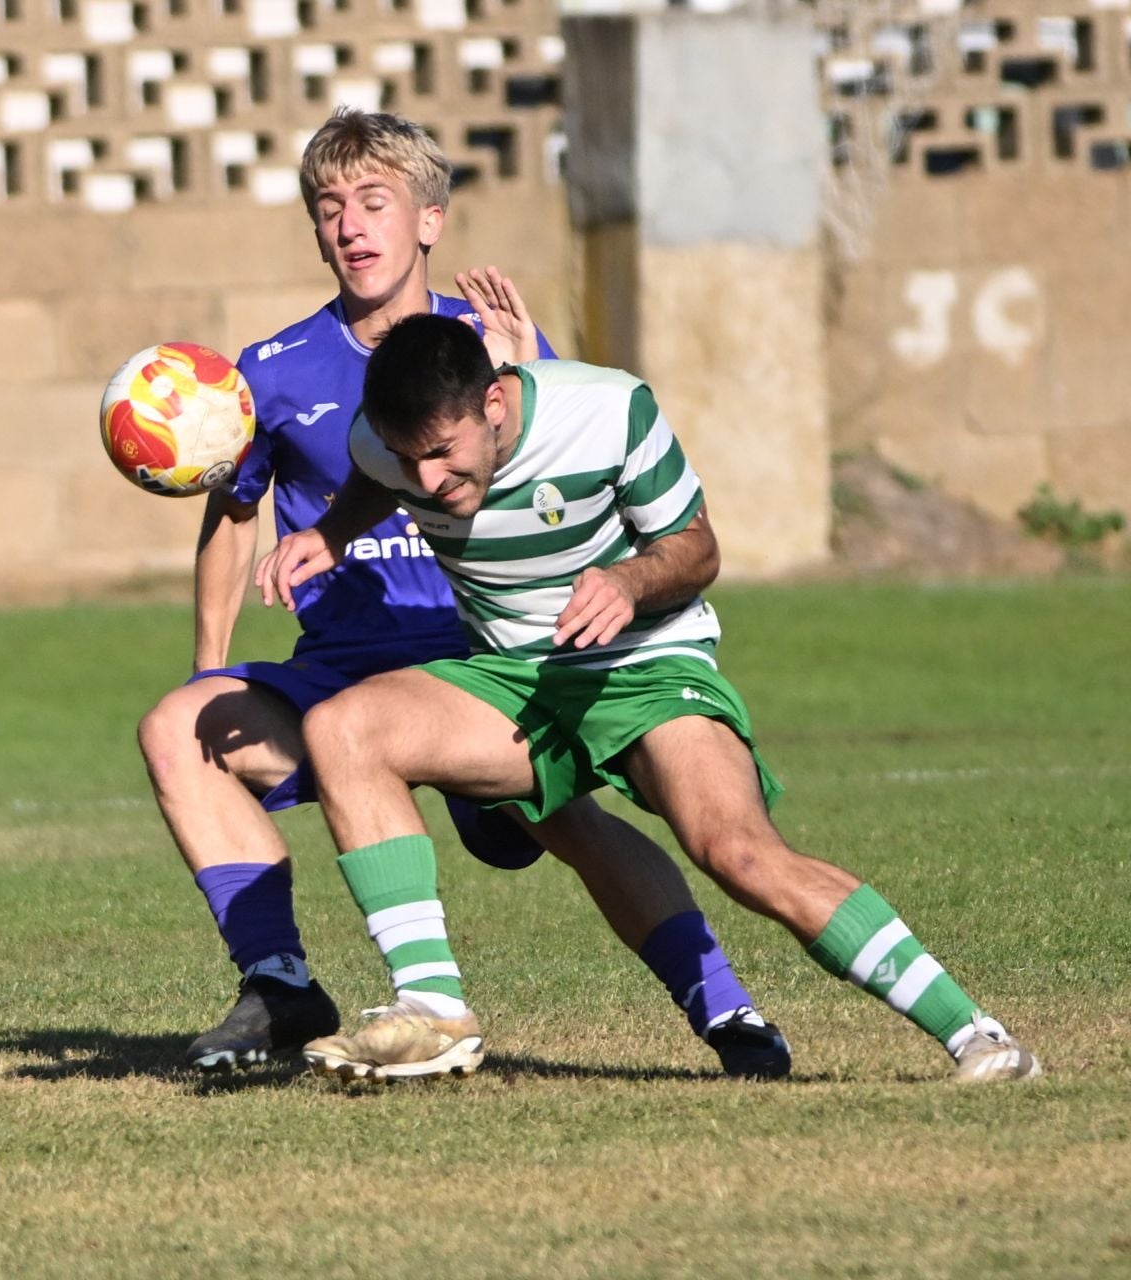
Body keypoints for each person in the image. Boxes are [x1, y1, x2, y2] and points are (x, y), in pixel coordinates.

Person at [137, 108, 790, 1078]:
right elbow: (234, 515)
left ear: (427, 221)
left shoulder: (494, 349)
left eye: (373, 202)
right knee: (178, 726)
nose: (352, 225)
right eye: (330, 208)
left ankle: (727, 1010)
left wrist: (536, 364)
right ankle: (279, 985)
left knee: (563, 822)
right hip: (337, 673)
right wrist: (208, 662)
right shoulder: (268, 374)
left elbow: (580, 482)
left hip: (479, 663)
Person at [257, 313, 1043, 1085]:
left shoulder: (608, 410)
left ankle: (976, 1034)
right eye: (407, 457)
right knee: (343, 728)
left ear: (493, 403)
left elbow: (698, 550)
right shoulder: (386, 443)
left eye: (441, 453)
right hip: (514, 679)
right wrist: (332, 534)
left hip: (648, 664)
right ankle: (434, 1013)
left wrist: (628, 582)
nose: (427, 479)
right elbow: (372, 475)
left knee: (738, 855)